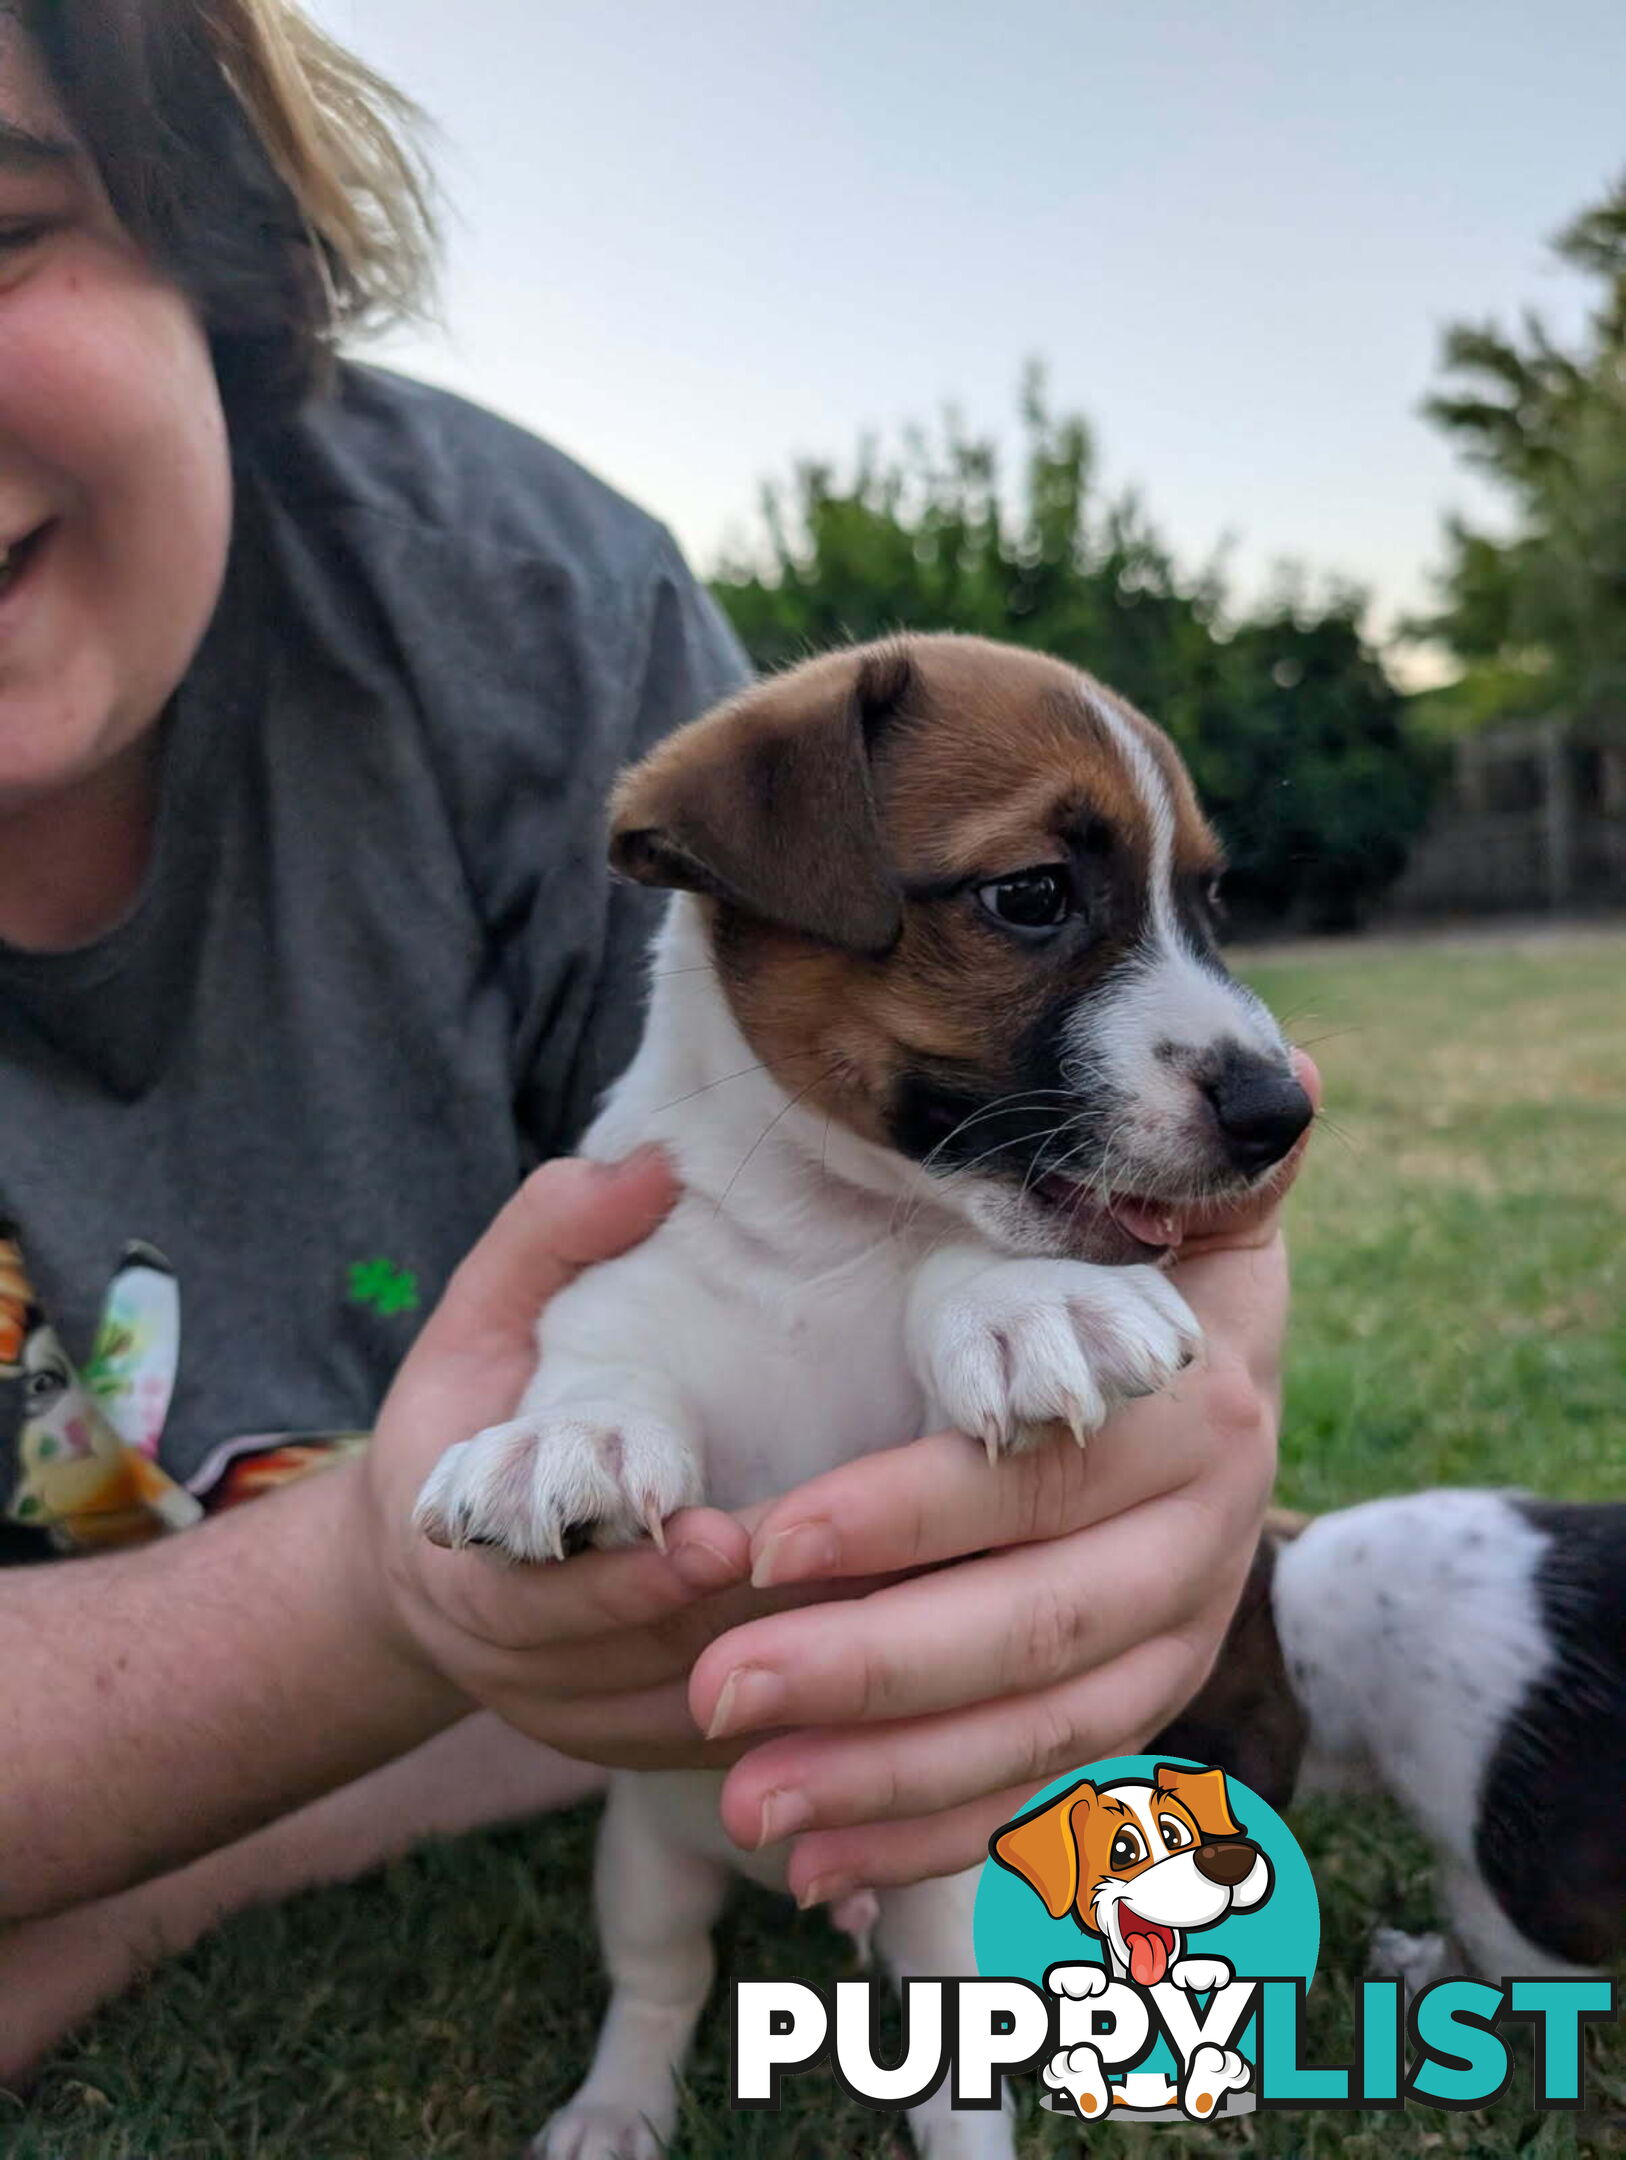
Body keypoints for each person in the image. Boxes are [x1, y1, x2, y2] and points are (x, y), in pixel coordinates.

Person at [0, 0, 1313, 2088]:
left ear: (203, 215)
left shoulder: (523, 633)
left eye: (1, 232)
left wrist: (1151, 1374)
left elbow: (830, 1319)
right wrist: (379, 1611)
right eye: (1038, 905)